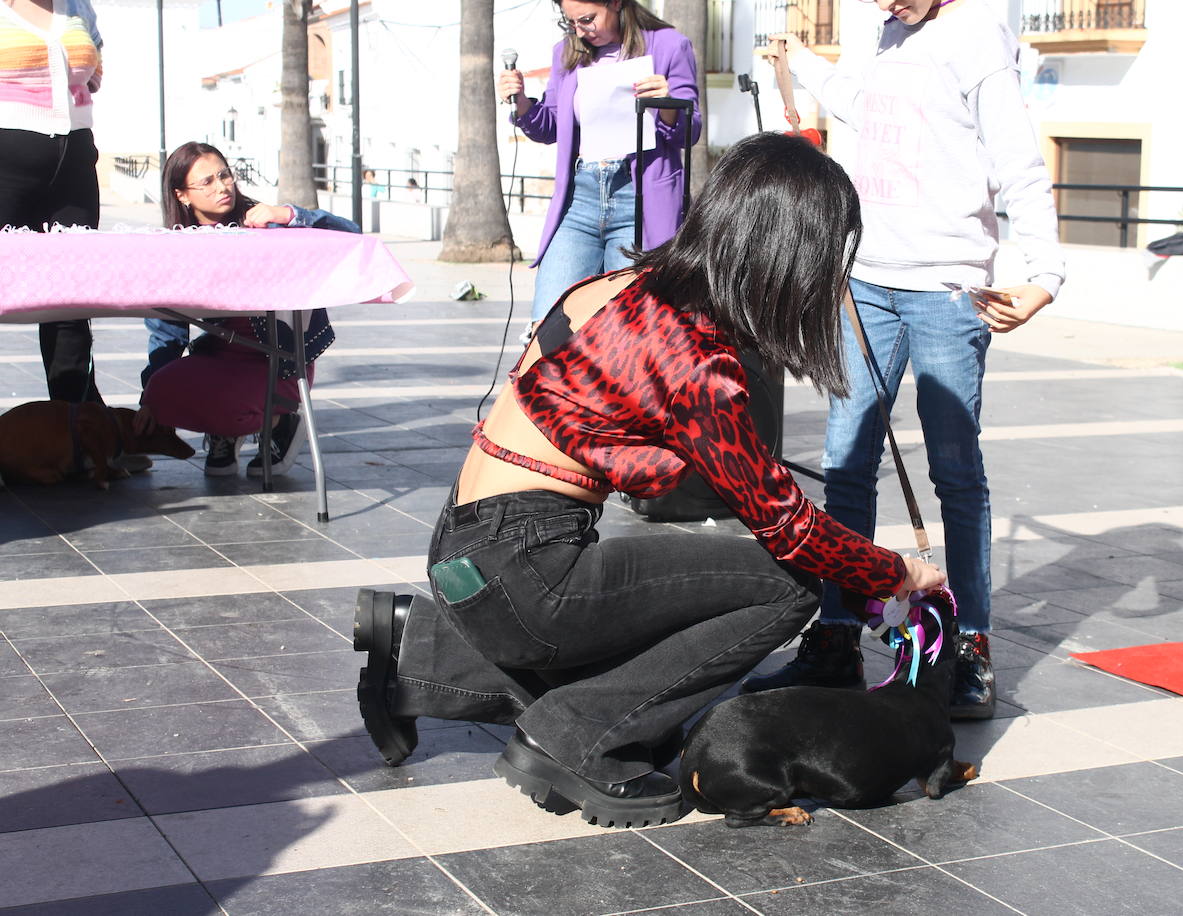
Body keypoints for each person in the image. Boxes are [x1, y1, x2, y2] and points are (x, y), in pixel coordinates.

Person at [353, 134, 946, 827]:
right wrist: (894, 571)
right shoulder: (694, 358)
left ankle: (421, 654)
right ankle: (576, 737)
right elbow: (787, 529)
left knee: (653, 654)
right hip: (530, 570)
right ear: (788, 254)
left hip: (469, 548)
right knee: (788, 584)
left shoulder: (618, 287)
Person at [742, 0, 1066, 721]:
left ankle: (970, 644)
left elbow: (1018, 160)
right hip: (864, 284)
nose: (885, 3)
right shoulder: (883, 32)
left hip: (949, 288)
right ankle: (837, 633)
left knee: (956, 472)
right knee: (846, 464)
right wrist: (802, 62)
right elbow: (864, 108)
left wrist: (1044, 275)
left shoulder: (977, 35)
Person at [134, 141, 357, 477]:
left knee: (228, 404)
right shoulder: (179, 246)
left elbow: (351, 234)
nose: (222, 186)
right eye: (206, 182)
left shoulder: (264, 224)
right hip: (219, 357)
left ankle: (280, 424)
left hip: (279, 363)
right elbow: (166, 329)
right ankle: (225, 430)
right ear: (182, 195)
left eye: (224, 175)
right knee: (158, 392)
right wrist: (150, 400)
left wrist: (289, 215)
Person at [497, 0, 700, 335]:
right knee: (548, 325)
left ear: (616, 3)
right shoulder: (567, 52)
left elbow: (690, 132)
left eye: (587, 19)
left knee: (628, 328)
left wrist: (667, 104)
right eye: (571, 22)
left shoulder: (669, 45)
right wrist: (520, 103)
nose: (580, 31)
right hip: (580, 200)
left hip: (639, 202)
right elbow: (551, 126)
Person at [0, 0, 103, 405]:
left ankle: (74, 420)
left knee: (71, 299)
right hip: (5, 164)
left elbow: (95, 67)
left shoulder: (78, 6)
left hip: (75, 163)